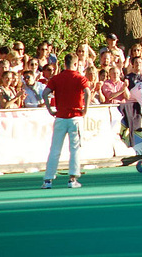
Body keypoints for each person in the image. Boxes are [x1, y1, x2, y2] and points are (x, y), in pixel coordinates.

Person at [41, 54, 91, 189]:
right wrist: (85, 109)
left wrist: (50, 109)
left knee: (55, 149)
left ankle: (48, 180)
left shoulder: (57, 78)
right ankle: (72, 178)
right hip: (75, 116)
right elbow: (87, 92)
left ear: (64, 63)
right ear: (76, 63)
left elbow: (45, 93)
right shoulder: (80, 78)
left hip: (60, 117)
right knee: (75, 148)